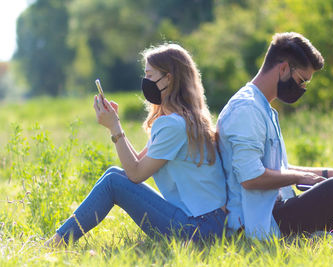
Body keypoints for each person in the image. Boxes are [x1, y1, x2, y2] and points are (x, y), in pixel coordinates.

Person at [45, 44, 227, 247]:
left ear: (169, 78)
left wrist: (114, 127)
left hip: (199, 230)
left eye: (150, 76)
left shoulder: (173, 125)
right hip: (211, 224)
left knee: (114, 182)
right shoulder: (182, 120)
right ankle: (58, 239)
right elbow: (137, 164)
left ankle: (55, 244)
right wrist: (116, 124)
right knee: (114, 174)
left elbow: (136, 175)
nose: (145, 82)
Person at [217, 32, 333, 239]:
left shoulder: (262, 107)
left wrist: (327, 174)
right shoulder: (246, 110)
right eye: (302, 80)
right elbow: (250, 178)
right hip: (260, 220)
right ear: (284, 68)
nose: (303, 88)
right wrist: (301, 177)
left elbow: (277, 169)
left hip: (275, 210)